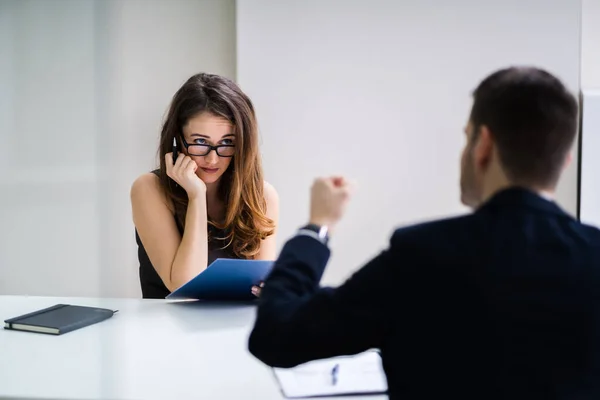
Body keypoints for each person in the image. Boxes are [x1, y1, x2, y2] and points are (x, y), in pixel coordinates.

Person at [248, 66, 600, 399]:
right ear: (564, 159)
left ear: (484, 146)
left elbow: (276, 335)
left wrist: (317, 227)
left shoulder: (420, 254)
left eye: (466, 138)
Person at [131, 73, 279, 299]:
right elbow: (184, 285)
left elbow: (263, 288)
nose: (213, 159)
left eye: (227, 142)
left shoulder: (262, 196)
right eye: (200, 142)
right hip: (167, 330)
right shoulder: (149, 189)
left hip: (236, 329)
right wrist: (196, 196)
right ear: (176, 140)